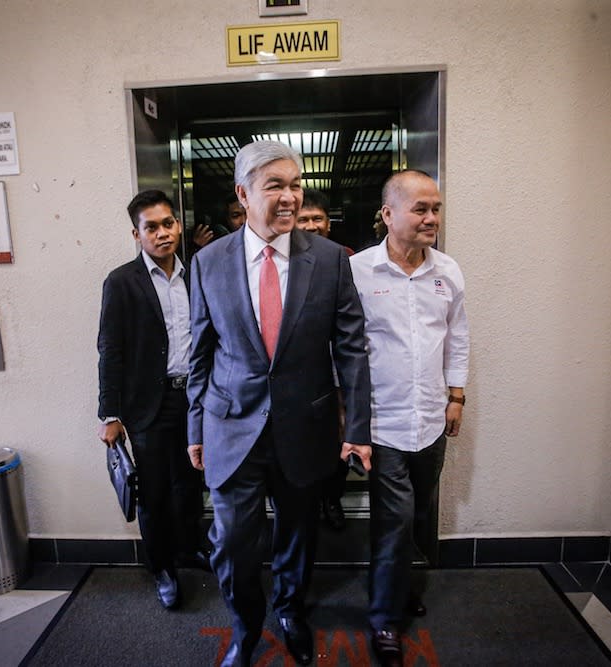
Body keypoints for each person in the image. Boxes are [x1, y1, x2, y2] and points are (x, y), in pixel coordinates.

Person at [186, 141, 373, 667]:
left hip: (305, 425)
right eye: (276, 186)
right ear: (244, 195)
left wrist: (356, 426)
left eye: (296, 185)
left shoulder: (332, 261)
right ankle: (245, 627)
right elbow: (199, 353)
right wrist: (194, 429)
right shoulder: (207, 262)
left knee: (297, 535)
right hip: (231, 426)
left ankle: (291, 611)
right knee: (232, 544)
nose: (291, 197)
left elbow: (352, 349)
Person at [348, 170, 469, 667]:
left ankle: (397, 589)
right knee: (393, 523)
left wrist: (457, 395)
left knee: (419, 516)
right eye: (420, 209)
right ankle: (385, 620)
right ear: (388, 214)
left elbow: (457, 336)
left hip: (432, 420)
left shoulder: (448, 272)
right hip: (383, 425)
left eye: (435, 208)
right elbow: (344, 350)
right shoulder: (357, 271)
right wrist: (348, 421)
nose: (431, 219)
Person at [97, 189, 210, 611]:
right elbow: (110, 350)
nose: (162, 233)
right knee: (155, 493)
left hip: (194, 401)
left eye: (168, 224)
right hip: (148, 406)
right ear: (136, 233)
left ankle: (188, 550)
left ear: (178, 225)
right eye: (151, 227)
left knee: (190, 486)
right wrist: (110, 414)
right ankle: (162, 568)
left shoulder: (198, 272)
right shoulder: (122, 281)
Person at [297, 188, 352, 532]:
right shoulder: (282, 263)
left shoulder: (344, 258)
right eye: (304, 219)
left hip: (337, 372)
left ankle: (332, 498)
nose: (312, 225)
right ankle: (306, 503)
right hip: (302, 375)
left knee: (339, 439)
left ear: (328, 224)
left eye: (318, 219)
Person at [297, 188, 354, 256]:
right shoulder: (284, 258)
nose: (311, 227)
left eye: (317, 219)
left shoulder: (344, 254)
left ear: (328, 224)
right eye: (303, 220)